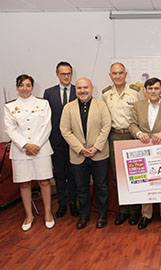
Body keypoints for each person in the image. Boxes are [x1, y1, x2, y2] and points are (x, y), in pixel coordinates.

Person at [4, 74, 54, 231]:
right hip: (21, 151)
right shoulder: (10, 107)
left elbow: (47, 126)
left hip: (41, 148)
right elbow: (9, 129)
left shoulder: (43, 103)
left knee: (44, 182)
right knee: (24, 183)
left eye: (27, 85)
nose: (24, 88)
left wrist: (36, 145)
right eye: (21, 85)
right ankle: (29, 215)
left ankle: (48, 214)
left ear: (32, 87)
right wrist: (26, 145)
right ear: (17, 87)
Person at [60, 78, 111, 229]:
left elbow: (106, 126)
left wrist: (96, 147)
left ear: (91, 88)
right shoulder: (68, 108)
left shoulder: (101, 105)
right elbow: (65, 130)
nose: (82, 91)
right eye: (79, 88)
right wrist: (80, 148)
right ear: (76, 90)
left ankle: (102, 214)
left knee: (101, 186)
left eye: (85, 87)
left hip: (99, 154)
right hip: (78, 155)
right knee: (81, 187)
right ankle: (84, 215)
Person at [129, 77, 161, 230]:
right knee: (145, 182)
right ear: (145, 90)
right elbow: (132, 124)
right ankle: (146, 215)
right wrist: (138, 134)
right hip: (143, 148)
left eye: (156, 88)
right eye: (150, 89)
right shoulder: (138, 105)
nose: (153, 91)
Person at [102, 62, 145, 226]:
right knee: (117, 176)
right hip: (114, 137)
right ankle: (123, 210)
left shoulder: (135, 92)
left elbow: (142, 113)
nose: (118, 76)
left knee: (134, 175)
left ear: (125, 74)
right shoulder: (106, 94)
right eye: (114, 73)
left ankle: (134, 211)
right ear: (110, 76)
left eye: (120, 73)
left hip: (132, 136)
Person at [43, 61, 79, 218]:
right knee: (58, 173)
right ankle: (62, 203)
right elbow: (45, 118)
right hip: (56, 141)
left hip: (74, 140)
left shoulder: (78, 91)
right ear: (57, 74)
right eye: (63, 73)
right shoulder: (49, 93)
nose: (66, 76)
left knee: (73, 173)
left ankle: (73, 203)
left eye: (69, 73)